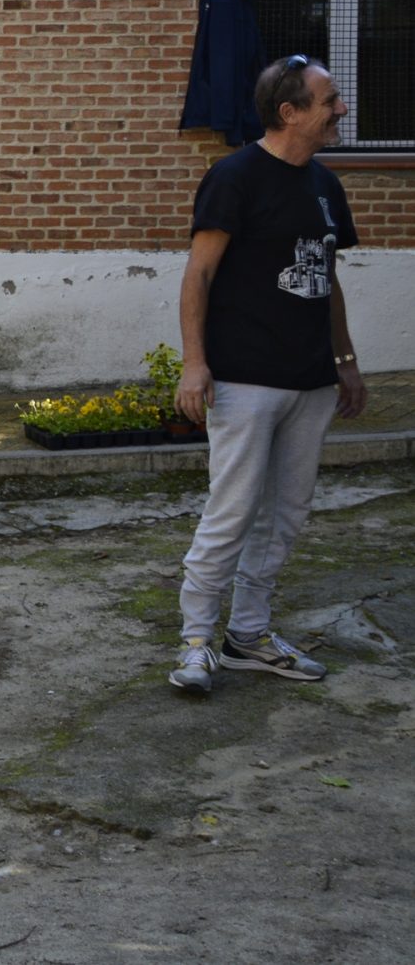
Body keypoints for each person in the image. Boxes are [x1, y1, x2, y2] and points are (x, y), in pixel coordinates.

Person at [168, 55, 367, 694]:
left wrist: (345, 361)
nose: (341, 109)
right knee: (231, 512)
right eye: (330, 100)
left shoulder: (324, 185)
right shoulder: (234, 178)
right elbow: (197, 275)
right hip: (245, 379)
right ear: (290, 112)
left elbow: (327, 278)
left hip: (310, 379)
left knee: (285, 513)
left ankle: (248, 634)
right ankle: (197, 642)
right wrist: (195, 364)